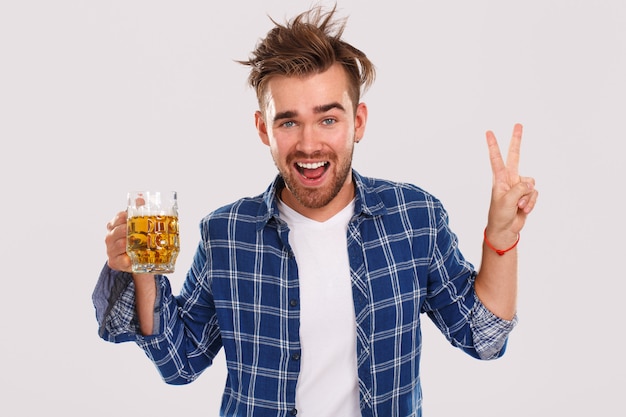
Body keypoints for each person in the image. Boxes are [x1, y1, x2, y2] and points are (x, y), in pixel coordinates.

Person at [93, 5, 538, 417]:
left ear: (358, 121)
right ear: (263, 128)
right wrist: (144, 272)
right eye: (288, 121)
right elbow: (180, 363)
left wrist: (501, 237)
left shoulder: (413, 218)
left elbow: (484, 338)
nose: (309, 144)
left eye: (328, 119)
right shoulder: (225, 233)